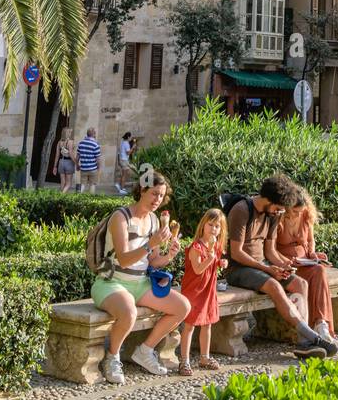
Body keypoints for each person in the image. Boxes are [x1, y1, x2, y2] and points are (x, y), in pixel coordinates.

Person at [91, 172, 190, 384]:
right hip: (111, 283)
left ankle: (145, 351)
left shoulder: (154, 221)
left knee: (183, 307)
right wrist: (150, 244)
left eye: (161, 196)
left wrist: (169, 254)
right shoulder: (121, 217)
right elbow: (125, 260)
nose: (157, 200)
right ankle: (112, 357)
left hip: (140, 284)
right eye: (154, 194)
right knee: (129, 312)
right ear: (142, 190)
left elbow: (153, 262)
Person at [225, 174, 338, 358]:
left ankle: (303, 343)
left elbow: (269, 251)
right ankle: (312, 337)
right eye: (278, 208)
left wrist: (284, 265)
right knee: (274, 285)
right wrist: (268, 269)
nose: (280, 212)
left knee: (300, 284)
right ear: (268, 200)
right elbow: (237, 252)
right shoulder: (241, 210)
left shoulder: (273, 214)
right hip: (239, 269)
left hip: (261, 266)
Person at [275, 190, 337, 345]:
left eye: (301, 211)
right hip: (286, 265)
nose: (298, 214)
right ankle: (310, 329)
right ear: (288, 208)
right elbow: (270, 249)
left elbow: (310, 240)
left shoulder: (306, 215)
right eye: (295, 211)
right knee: (314, 278)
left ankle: (321, 323)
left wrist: (312, 254)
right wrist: (286, 261)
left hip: (305, 262)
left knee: (320, 270)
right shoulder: (278, 219)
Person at [178, 208, 228, 376]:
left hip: (208, 289)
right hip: (194, 290)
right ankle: (184, 360)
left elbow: (213, 264)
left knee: (207, 323)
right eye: (211, 225)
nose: (213, 229)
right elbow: (198, 269)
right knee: (190, 325)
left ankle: (204, 357)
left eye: (217, 226)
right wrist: (212, 258)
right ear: (203, 225)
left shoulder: (216, 247)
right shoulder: (196, 247)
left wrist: (220, 263)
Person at [76, 127, 101, 192]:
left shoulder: (81, 143)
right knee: (92, 184)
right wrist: (98, 168)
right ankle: (90, 199)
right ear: (94, 134)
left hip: (83, 168)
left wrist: (77, 165)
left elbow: (77, 157)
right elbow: (98, 159)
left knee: (83, 184)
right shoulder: (95, 145)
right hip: (93, 168)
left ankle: (79, 198)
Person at [53, 128, 76, 194]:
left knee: (63, 182)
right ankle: (61, 195)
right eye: (69, 132)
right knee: (68, 184)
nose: (70, 133)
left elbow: (57, 155)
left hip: (61, 162)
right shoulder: (70, 142)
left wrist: (55, 166)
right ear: (67, 133)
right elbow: (71, 154)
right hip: (69, 162)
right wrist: (76, 163)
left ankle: (61, 199)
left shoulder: (59, 142)